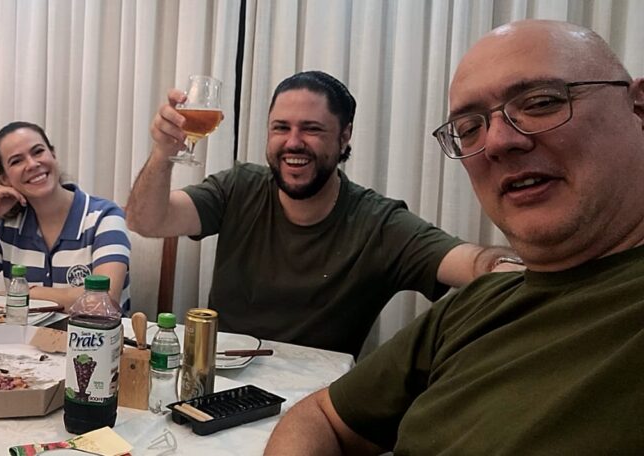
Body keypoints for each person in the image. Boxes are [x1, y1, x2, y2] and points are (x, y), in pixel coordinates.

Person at [265, 20, 644, 454]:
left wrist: (496, 265)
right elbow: (321, 417)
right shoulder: (476, 307)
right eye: (468, 128)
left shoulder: (378, 220)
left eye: (541, 102)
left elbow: (462, 258)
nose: (497, 141)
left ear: (637, 109)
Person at [127, 71, 517, 358]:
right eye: (281, 128)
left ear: (344, 137)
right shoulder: (239, 187)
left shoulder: (378, 222)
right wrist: (163, 153)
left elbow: (473, 263)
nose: (293, 142)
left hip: (316, 407)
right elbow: (146, 221)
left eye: (311, 129)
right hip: (220, 385)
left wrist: (535, 268)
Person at [0, 121, 131, 313]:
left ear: (53, 154)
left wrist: (23, 294)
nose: (32, 164)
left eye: (38, 152)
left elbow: (103, 300)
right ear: (5, 178)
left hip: (91, 333)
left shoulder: (105, 217)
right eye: (17, 161)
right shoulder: (8, 226)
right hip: (24, 333)